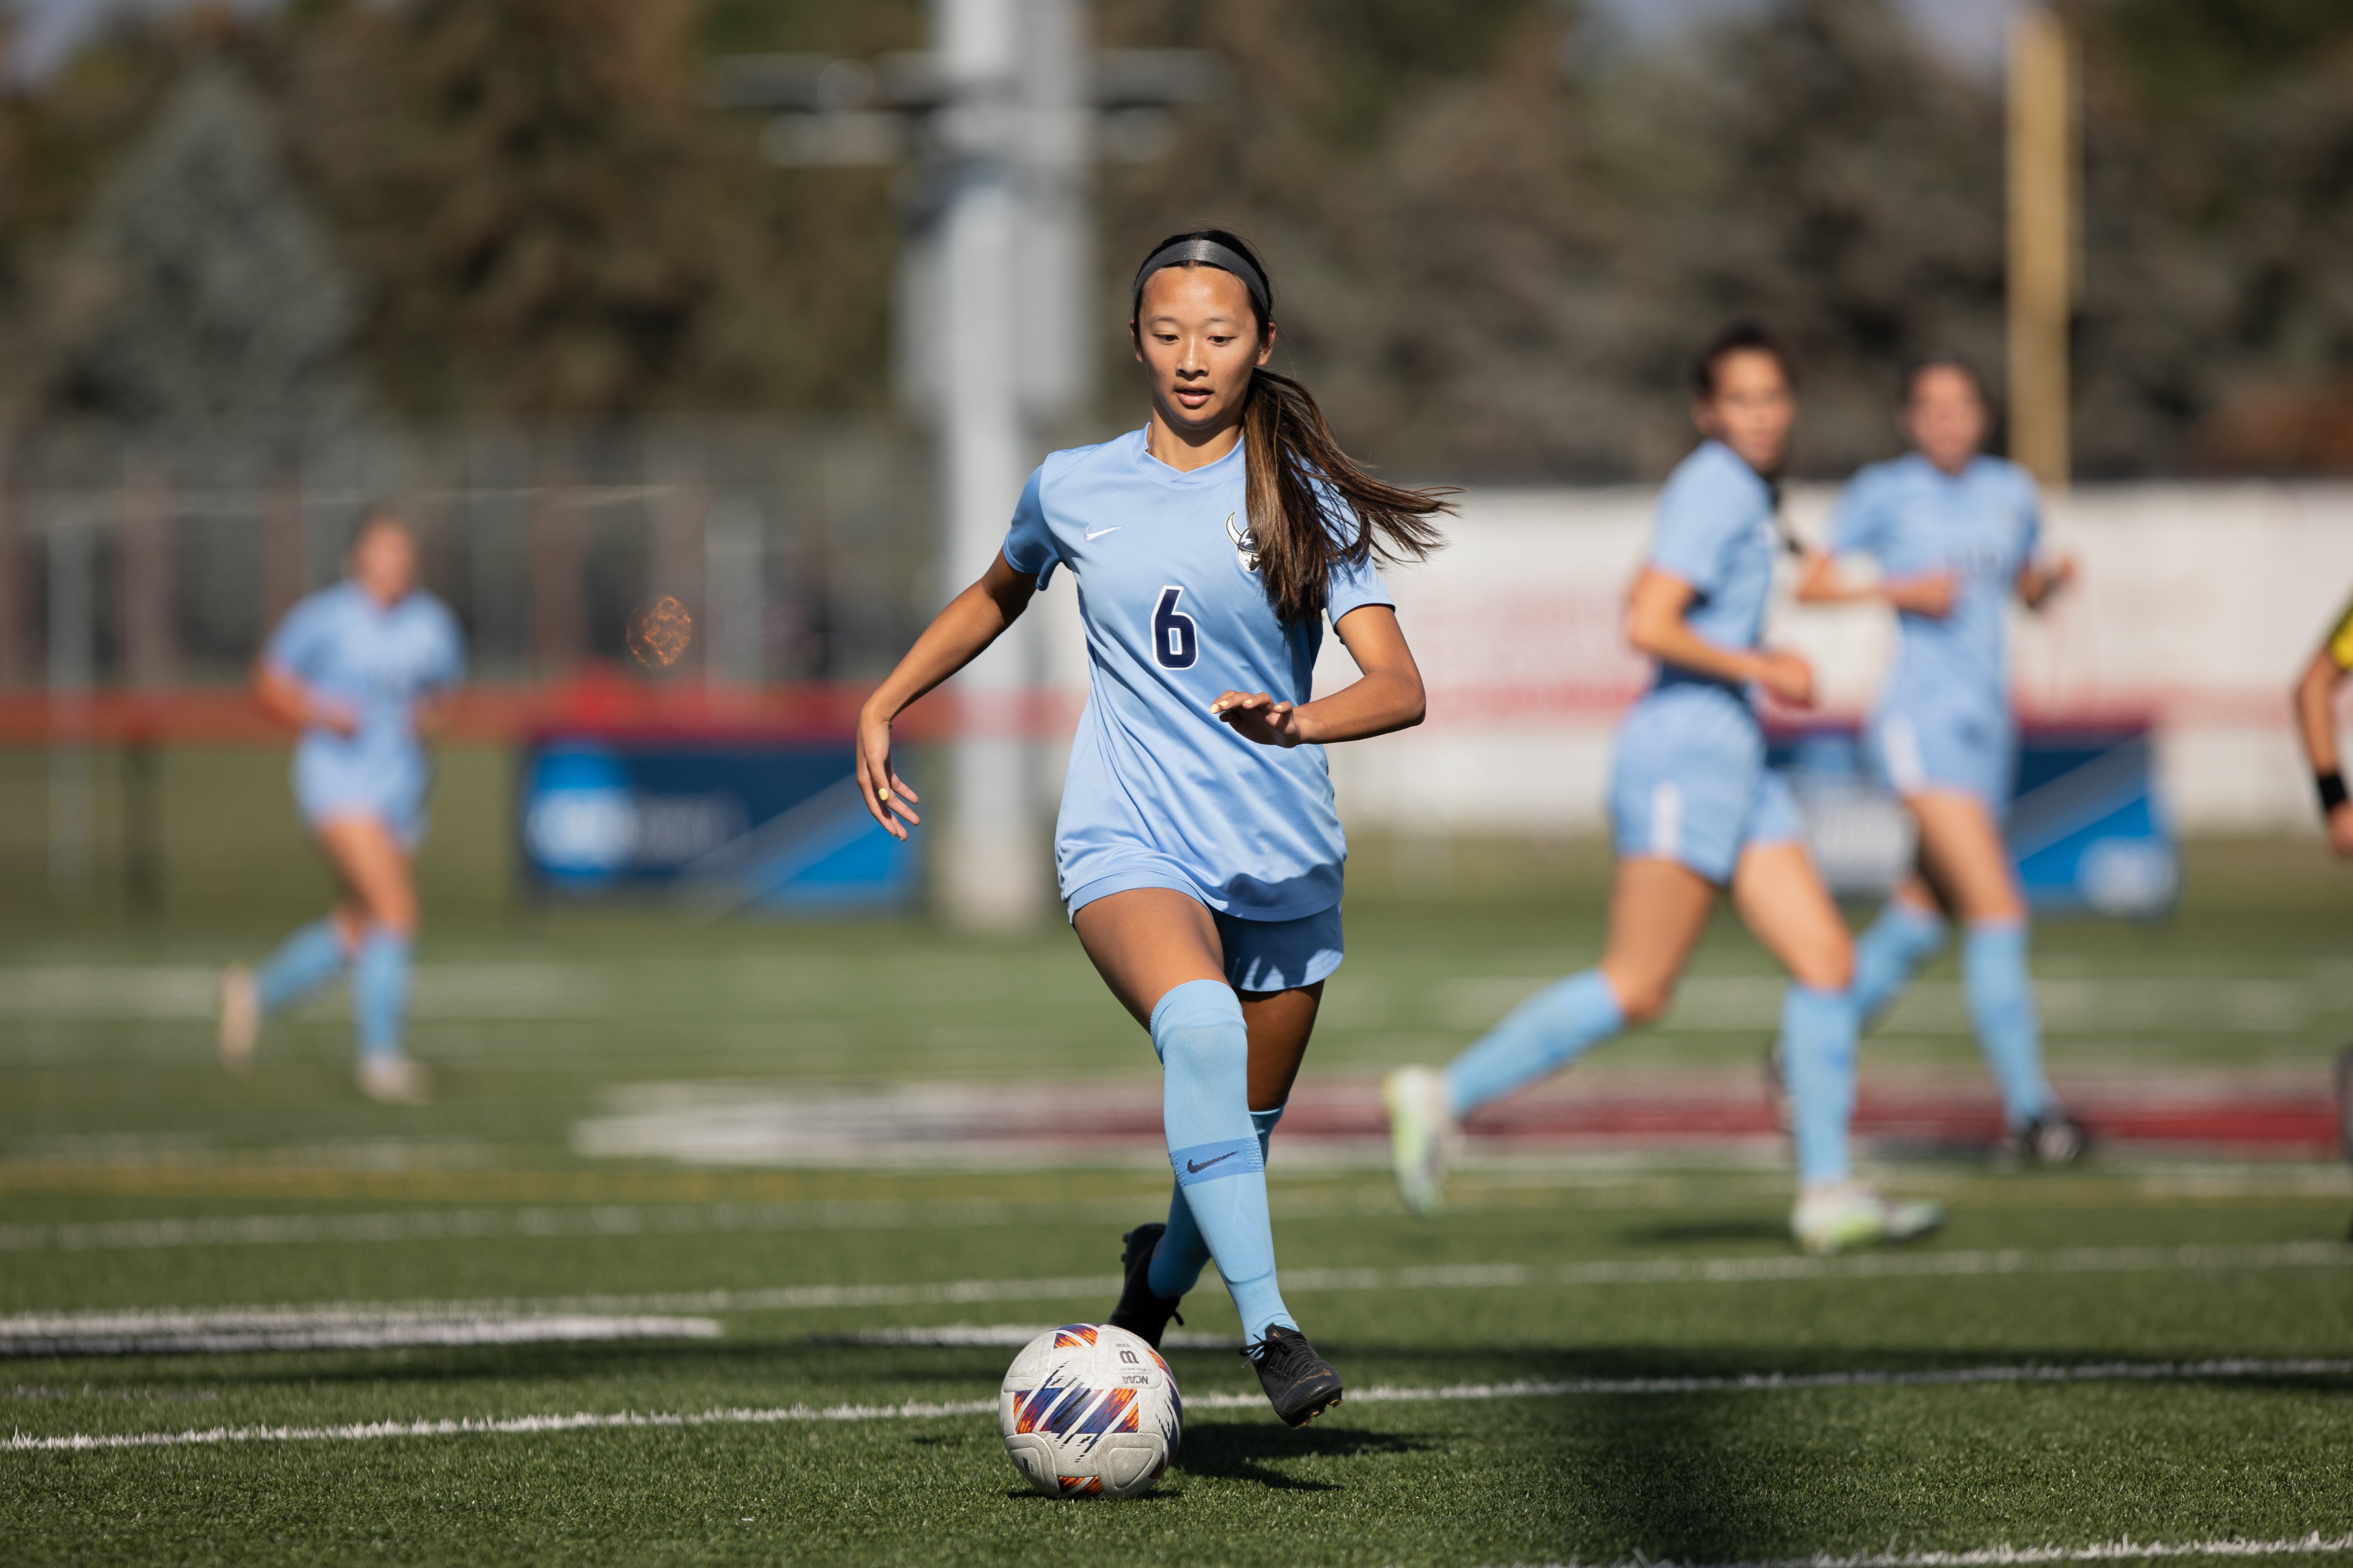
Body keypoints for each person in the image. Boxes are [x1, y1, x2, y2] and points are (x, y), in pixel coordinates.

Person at [855, 229, 1446, 1427]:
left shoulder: (1301, 497)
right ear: (1134, 341)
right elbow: (994, 592)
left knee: (1229, 1130)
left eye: (1219, 336)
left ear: (1261, 346)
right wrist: (883, 698)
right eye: (1167, 333)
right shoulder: (1072, 483)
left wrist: (1295, 722)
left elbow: (1398, 686)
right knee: (1198, 1028)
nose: (1191, 357)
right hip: (1126, 837)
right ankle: (1271, 1328)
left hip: (1279, 858)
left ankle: (1150, 1287)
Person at [1383, 320, 1944, 1256]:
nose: (1761, 415)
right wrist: (1759, 662)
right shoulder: (1713, 485)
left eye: (1773, 397)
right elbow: (1647, 620)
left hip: (1736, 757)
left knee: (1826, 964)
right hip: (1685, 755)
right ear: (1705, 409)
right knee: (1640, 985)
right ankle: (1441, 1094)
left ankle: (1827, 1191)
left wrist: (1895, 594)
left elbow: (1751, 580)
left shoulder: (1745, 492)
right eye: (1741, 399)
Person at [1791, 358, 2084, 1165]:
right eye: (1929, 406)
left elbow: (2024, 588)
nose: (1945, 420)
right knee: (1997, 906)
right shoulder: (1884, 490)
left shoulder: (2011, 490)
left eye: (1959, 406)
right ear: (1909, 419)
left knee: (1924, 915)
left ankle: (1801, 1049)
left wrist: (2050, 581)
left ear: (1983, 415)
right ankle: (2033, 1113)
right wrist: (1897, 592)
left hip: (1988, 727)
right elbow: (1811, 585)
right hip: (1916, 724)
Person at [216, 506, 465, 1105]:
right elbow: (267, 682)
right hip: (337, 789)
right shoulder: (324, 618)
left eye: (404, 551)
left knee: (359, 930)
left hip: (400, 795)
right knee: (397, 912)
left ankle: (255, 993)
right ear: (358, 556)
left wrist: (427, 720)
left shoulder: (432, 623)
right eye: (384, 550)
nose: (395, 563)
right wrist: (319, 712)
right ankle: (381, 1061)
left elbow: (444, 697)